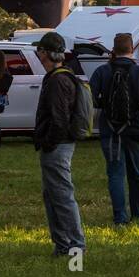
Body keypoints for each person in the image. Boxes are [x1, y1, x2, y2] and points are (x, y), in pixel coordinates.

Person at [90, 32, 139, 224]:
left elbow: (91, 98)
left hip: (110, 130)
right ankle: (138, 212)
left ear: (114, 49)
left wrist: (105, 104)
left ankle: (120, 216)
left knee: (115, 173)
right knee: (136, 173)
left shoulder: (102, 71)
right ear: (132, 48)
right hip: (135, 128)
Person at [33, 31, 86, 258]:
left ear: (44, 53)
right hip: (59, 144)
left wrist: (48, 143)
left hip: (58, 145)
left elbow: (59, 119)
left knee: (62, 196)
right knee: (53, 195)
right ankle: (63, 244)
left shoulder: (58, 81)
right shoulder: (63, 76)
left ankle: (75, 245)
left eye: (39, 50)